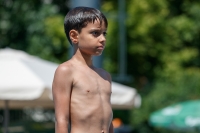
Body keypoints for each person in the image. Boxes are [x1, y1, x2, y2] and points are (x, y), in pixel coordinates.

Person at [52, 6, 113, 133]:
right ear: (74, 36)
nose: (103, 39)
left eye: (104, 33)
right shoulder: (66, 71)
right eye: (95, 33)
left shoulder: (105, 76)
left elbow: (108, 120)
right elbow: (61, 119)